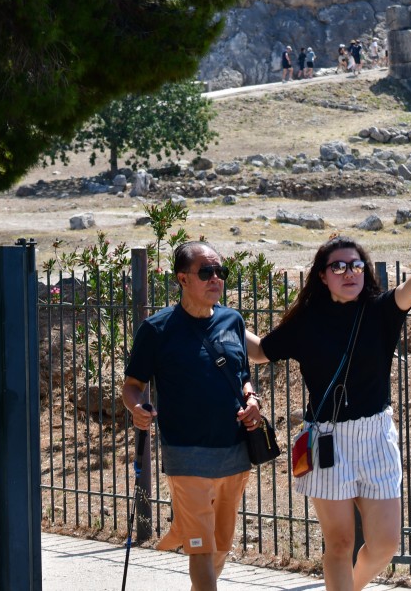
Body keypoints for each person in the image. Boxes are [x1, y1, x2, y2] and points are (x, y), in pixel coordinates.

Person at [246, 236, 411, 591]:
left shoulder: (379, 311)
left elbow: (406, 291)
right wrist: (224, 320)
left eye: (356, 265)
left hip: (375, 436)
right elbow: (261, 352)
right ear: (322, 275)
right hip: (326, 441)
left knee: (385, 545)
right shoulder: (307, 321)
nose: (349, 272)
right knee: (341, 543)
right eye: (339, 266)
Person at [122, 241, 264, 591]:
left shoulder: (233, 320)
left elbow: (241, 375)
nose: (216, 278)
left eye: (220, 271)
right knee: (200, 549)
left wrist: (252, 399)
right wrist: (136, 408)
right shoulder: (156, 329)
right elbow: (132, 385)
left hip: (234, 451)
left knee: (220, 546)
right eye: (206, 272)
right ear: (182, 279)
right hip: (185, 455)